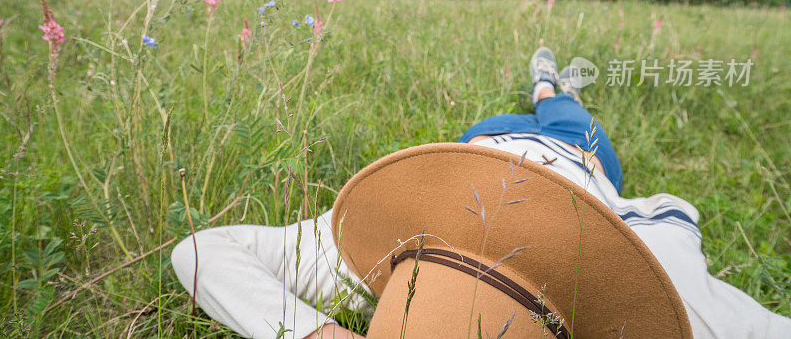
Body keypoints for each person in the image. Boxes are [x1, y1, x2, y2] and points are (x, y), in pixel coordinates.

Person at [172, 48, 791, 338]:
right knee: (568, 114)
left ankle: (548, 82)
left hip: (476, 150)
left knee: (518, 112)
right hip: (583, 158)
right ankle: (554, 88)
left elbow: (203, 251)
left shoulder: (365, 260)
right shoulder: (665, 291)